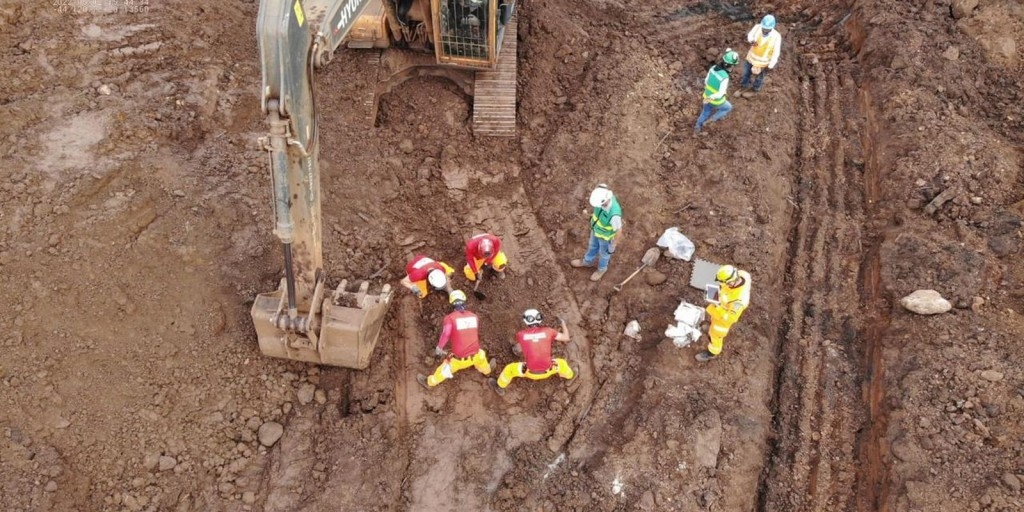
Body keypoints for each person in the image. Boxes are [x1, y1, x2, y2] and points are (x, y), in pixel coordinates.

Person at [417, 290, 496, 388]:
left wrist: (439, 347)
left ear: (451, 303)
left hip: (459, 359)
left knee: (445, 368)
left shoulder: (450, 318)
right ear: (464, 301)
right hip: (476, 354)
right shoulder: (474, 316)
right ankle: (487, 371)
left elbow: (446, 334)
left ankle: (429, 382)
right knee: (482, 356)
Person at [491, 309, 575, 395]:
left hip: (529, 372)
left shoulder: (521, 334)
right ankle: (570, 376)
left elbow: (521, 344)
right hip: (549, 370)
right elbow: (566, 337)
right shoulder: (549, 331)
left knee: (509, 369)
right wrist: (563, 323)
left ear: (526, 321)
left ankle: (499, 386)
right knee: (562, 363)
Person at [696, 264, 752, 362]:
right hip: (720, 310)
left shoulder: (738, 302)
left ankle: (712, 353)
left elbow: (730, 318)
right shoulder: (742, 274)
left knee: (715, 335)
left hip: (723, 321)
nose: (723, 285)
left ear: (731, 282)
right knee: (713, 324)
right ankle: (711, 328)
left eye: (725, 283)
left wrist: (717, 305)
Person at [570, 184, 623, 281]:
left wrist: (613, 245)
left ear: (605, 201)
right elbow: (602, 186)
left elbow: (619, 231)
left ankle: (602, 269)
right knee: (592, 246)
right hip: (595, 231)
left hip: (605, 238)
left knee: (604, 254)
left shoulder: (614, 214)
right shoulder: (601, 195)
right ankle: (587, 261)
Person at [694, 49, 740, 136]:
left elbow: (706, 81)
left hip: (706, 96)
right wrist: (712, 97)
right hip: (716, 101)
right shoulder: (724, 77)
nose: (733, 67)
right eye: (733, 65)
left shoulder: (712, 68)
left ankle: (697, 128)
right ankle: (712, 119)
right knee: (728, 108)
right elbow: (720, 93)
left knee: (705, 112)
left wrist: (709, 96)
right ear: (729, 65)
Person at [740, 14, 782, 95]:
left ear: (772, 28)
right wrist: (751, 40)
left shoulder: (776, 36)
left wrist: (770, 66)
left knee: (759, 78)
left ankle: (755, 89)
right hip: (751, 58)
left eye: (767, 29)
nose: (765, 31)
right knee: (746, 73)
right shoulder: (757, 27)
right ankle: (744, 86)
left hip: (763, 63)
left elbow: (776, 52)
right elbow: (750, 35)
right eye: (764, 28)